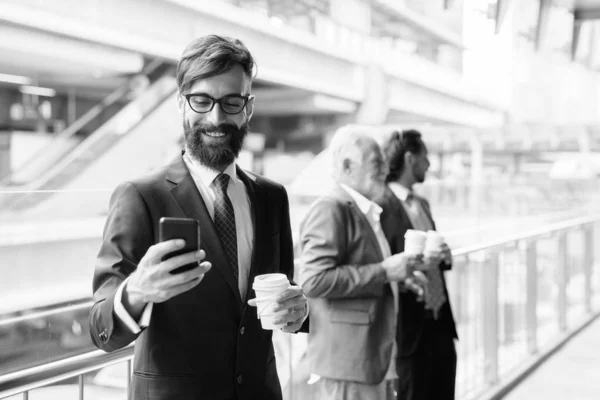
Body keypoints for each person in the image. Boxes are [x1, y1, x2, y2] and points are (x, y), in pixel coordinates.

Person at [89, 35, 308, 400]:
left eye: (231, 102)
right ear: (181, 104)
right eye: (202, 101)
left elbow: (283, 295)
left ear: (248, 107)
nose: (217, 118)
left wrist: (298, 311)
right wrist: (137, 291)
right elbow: (100, 329)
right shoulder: (140, 196)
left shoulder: (272, 197)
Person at [297, 125, 422, 400]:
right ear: (347, 166)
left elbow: (364, 273)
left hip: (371, 358)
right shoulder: (330, 208)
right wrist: (385, 271)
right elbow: (313, 281)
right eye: (376, 162)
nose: (385, 169)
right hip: (349, 364)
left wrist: (397, 279)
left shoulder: (362, 209)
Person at [379, 129, 458, 400]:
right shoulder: (380, 206)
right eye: (426, 157)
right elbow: (380, 263)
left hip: (440, 323)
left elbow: (432, 257)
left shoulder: (422, 203)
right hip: (409, 331)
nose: (430, 164)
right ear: (410, 159)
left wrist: (444, 256)